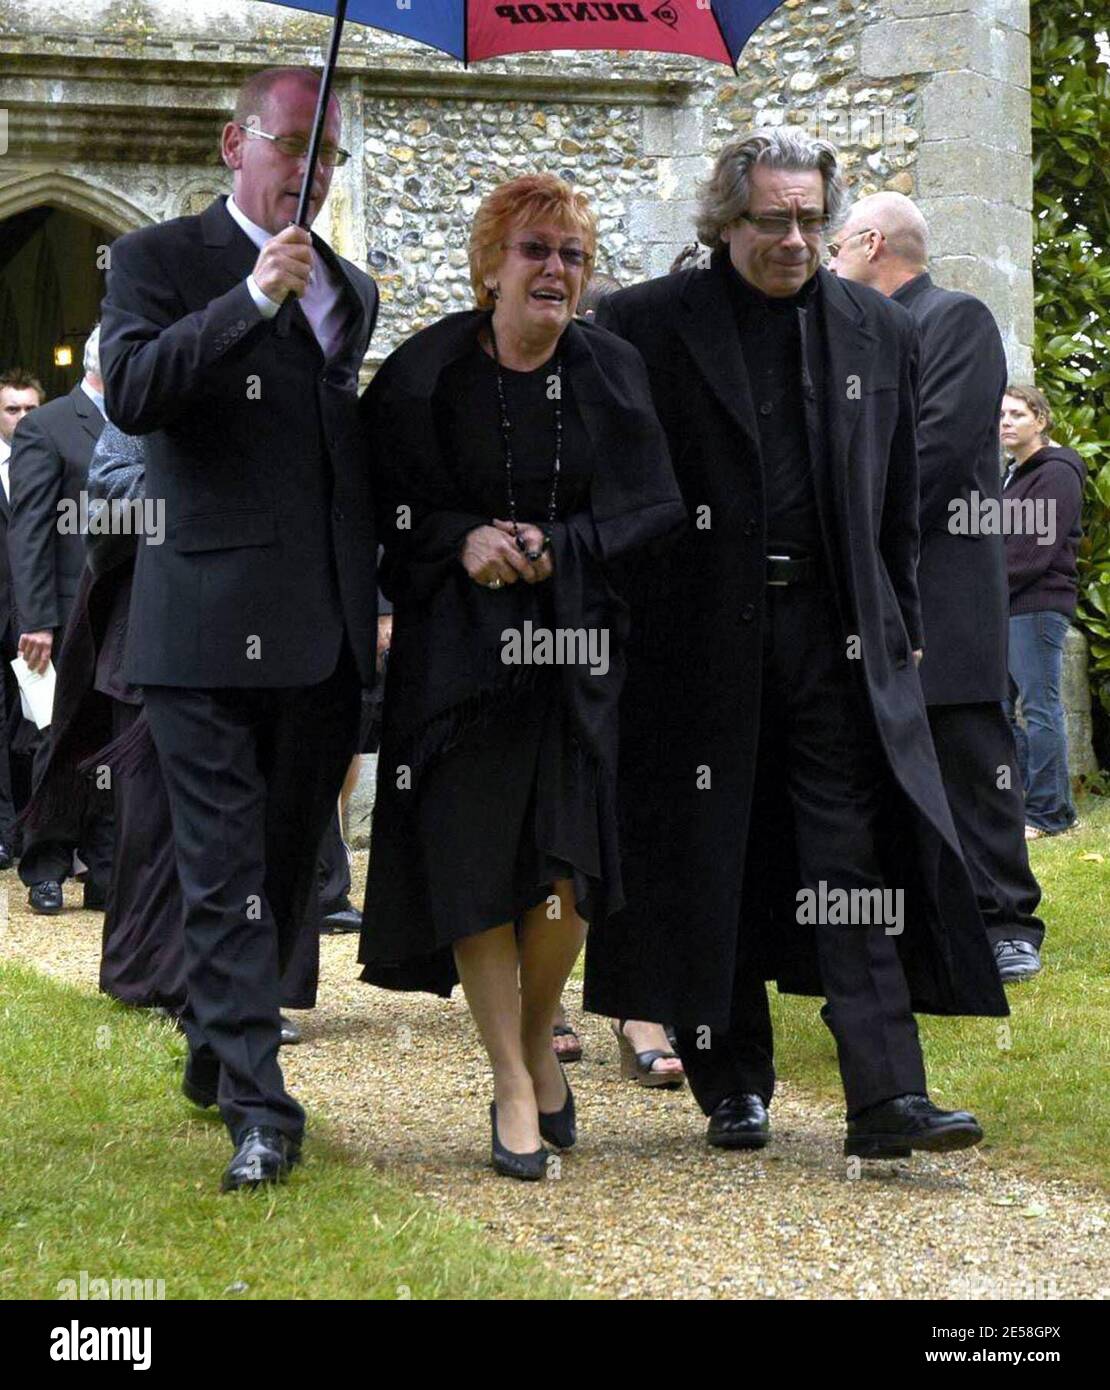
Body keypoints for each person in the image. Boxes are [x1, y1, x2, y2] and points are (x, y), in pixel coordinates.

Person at [593, 128, 1007, 1160]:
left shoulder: (876, 326)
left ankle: (886, 1094)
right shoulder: (643, 324)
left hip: (835, 636)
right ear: (724, 222)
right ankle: (733, 1084)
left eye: (812, 220)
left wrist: (900, 623)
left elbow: (898, 496)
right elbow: (612, 488)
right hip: (692, 646)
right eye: (772, 220)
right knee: (712, 850)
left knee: (849, 852)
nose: (794, 240)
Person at [357, 172, 684, 1180]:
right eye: (536, 251)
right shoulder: (422, 373)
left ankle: (540, 1032)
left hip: (576, 654)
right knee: (473, 868)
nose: (555, 270)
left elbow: (655, 507)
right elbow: (378, 507)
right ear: (490, 264)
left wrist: (562, 543)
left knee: (566, 872)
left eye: (572, 255)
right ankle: (510, 1077)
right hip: (458, 664)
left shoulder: (614, 370)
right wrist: (460, 541)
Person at [99, 65, 380, 1193]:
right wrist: (252, 300)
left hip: (321, 630)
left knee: (282, 868)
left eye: (330, 156)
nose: (308, 174)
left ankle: (220, 1049)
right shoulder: (157, 260)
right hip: (201, 626)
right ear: (236, 143)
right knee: (221, 872)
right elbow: (133, 392)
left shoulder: (351, 290)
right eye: (292, 145)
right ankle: (264, 1110)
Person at [830, 193, 1046, 985]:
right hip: (866, 586)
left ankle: (1006, 919)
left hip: (942, 584)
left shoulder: (955, 318)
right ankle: (913, 916)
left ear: (872, 242)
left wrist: (851, 531)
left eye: (836, 248)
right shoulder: (847, 334)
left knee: (967, 753)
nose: (827, 263)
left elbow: (943, 444)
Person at [8, 329, 114, 913]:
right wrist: (38, 620)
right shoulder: (46, 426)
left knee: (119, 739)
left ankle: (106, 867)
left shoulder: (144, 420)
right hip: (66, 615)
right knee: (59, 738)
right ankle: (45, 863)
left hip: (128, 610)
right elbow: (29, 531)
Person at [999, 385, 1085, 839]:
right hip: (1007, 608)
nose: (1006, 422)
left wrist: (985, 589)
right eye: (1001, 415)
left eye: (1017, 414)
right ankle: (1022, 803)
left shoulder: (1057, 472)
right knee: (998, 709)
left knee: (1039, 709)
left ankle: (1051, 812)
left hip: (1037, 606)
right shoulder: (1012, 474)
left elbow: (1033, 552)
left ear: (1041, 420)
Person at [0, 368, 45, 867]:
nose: (22, 417)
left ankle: (43, 832)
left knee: (40, 726)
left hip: (39, 616)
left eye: (30, 408)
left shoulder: (56, 455)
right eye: (13, 409)